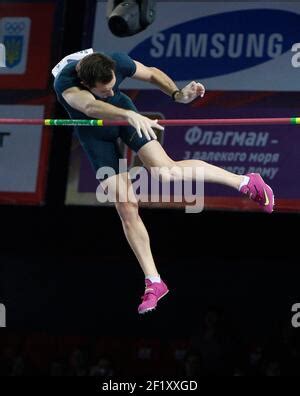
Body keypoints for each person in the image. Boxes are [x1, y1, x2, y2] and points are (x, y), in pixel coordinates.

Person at [53, 50, 274, 314]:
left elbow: (152, 73)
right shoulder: (65, 82)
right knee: (125, 205)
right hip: (94, 131)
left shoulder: (114, 62)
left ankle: (245, 182)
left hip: (126, 116)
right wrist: (129, 115)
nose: (111, 92)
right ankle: (154, 282)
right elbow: (90, 106)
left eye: (113, 86)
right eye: (104, 90)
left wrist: (178, 95)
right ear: (87, 84)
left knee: (166, 172)